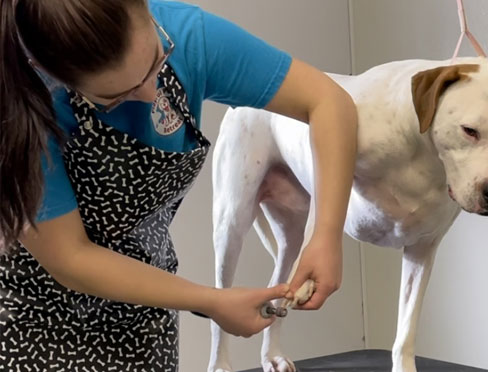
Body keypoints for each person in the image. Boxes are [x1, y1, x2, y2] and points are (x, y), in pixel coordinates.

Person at [0, 0, 357, 369]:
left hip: (145, 315)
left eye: (157, 60)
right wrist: (212, 300)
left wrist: (326, 233)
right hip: (35, 319)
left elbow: (329, 102)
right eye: (116, 98)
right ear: (53, 75)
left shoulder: (186, 35)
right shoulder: (20, 102)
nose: (152, 94)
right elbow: (70, 257)